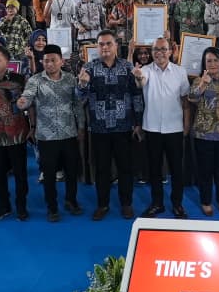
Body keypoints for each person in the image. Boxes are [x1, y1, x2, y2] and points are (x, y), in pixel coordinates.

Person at [78, 30, 143, 221]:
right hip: (99, 128)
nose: (104, 47)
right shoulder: (89, 68)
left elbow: (137, 96)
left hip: (124, 127)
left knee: (125, 168)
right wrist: (82, 85)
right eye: (101, 44)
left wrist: (138, 123)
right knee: (102, 169)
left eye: (108, 44)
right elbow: (80, 98)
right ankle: (102, 204)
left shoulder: (127, 67)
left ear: (116, 46)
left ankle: (126, 204)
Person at [18, 43, 83, 222]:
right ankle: (52, 207)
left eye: (53, 60)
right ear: (42, 62)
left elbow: (77, 104)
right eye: (46, 61)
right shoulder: (35, 80)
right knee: (49, 174)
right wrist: (22, 102)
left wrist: (81, 127)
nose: (49, 64)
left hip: (69, 133)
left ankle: (71, 200)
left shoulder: (71, 79)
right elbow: (27, 97)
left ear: (61, 61)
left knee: (71, 171)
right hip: (46, 136)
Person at [136, 37, 190, 218]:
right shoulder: (145, 70)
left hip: (174, 127)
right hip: (152, 128)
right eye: (156, 49)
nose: (159, 53)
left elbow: (185, 100)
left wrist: (186, 125)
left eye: (163, 49)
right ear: (152, 53)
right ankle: (157, 203)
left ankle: (177, 204)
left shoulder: (180, 72)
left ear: (170, 51)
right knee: (154, 168)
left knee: (176, 169)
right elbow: (141, 82)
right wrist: (137, 76)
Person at [0, 47, 31, 222]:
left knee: (20, 173)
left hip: (17, 134)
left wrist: (31, 126)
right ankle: (3, 206)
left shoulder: (19, 80)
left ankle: (21, 206)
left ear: (7, 62)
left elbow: (30, 102)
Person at [188, 47, 219, 216]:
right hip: (204, 135)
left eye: (216, 60)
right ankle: (206, 201)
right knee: (205, 171)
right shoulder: (198, 81)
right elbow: (192, 98)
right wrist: (203, 84)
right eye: (209, 60)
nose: (213, 63)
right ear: (204, 63)